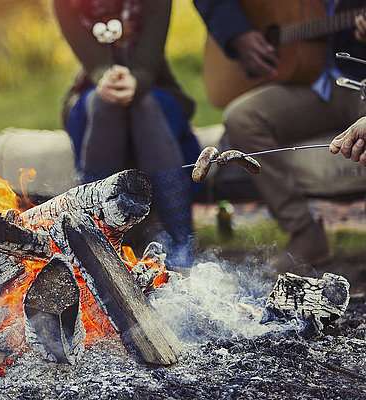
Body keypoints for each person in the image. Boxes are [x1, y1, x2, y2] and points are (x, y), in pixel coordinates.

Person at [194, 0, 366, 270]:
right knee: (242, 117)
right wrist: (237, 32)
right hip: (306, 79)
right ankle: (304, 231)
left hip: (361, 74)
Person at [53, 0, 201, 266]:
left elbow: (148, 56)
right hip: (93, 96)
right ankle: (95, 240)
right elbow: (92, 59)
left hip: (155, 91)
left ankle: (180, 245)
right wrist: (104, 76)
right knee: (104, 104)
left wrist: (137, 79)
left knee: (144, 105)